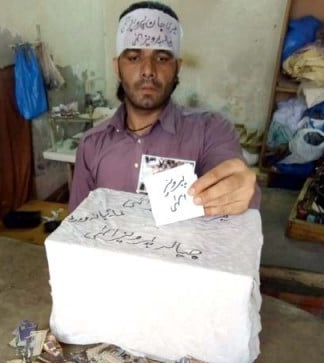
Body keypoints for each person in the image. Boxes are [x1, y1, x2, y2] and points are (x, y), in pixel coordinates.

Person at [69, 1, 260, 216]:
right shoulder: (92, 145)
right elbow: (78, 225)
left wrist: (239, 189)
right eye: (134, 57)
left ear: (177, 67)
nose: (148, 70)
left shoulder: (211, 131)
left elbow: (231, 180)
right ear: (117, 67)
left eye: (161, 58)